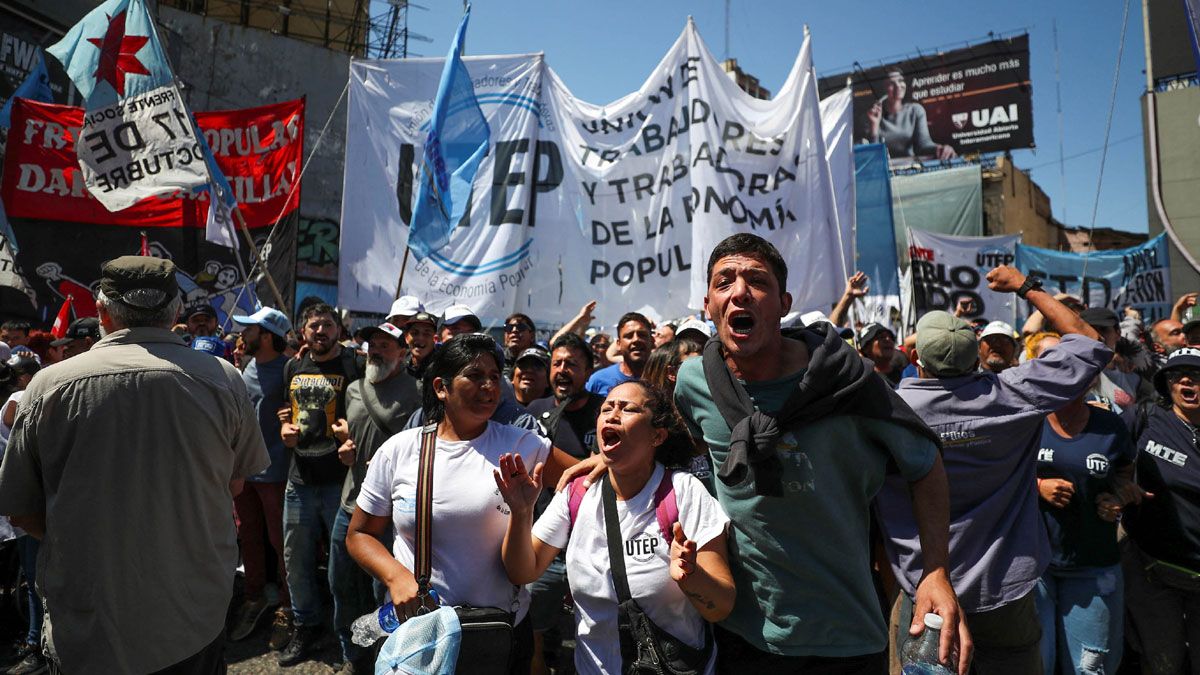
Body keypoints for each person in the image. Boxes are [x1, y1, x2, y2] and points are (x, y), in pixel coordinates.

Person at [561, 234, 966, 673]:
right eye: (724, 281)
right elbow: (681, 443)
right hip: (741, 635)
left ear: (783, 303)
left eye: (757, 280)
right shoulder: (696, 382)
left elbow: (925, 462)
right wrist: (616, 456)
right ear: (709, 305)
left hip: (844, 635)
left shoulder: (848, 381)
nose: (740, 291)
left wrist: (936, 572)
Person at [0, 256, 268, 673]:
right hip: (192, 617)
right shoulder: (224, 379)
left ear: (102, 312)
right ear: (176, 313)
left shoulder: (48, 386)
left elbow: (21, 511)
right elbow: (235, 485)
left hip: (89, 623)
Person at [875, 269, 1111, 675]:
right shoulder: (1013, 393)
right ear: (977, 357)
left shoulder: (887, 411)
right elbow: (1088, 342)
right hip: (1005, 590)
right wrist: (1024, 285)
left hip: (923, 590)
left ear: (914, 360)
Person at [346, 334, 579, 674]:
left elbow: (581, 482)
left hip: (499, 634)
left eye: (494, 376)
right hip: (422, 636)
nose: (489, 386)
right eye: (475, 375)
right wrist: (395, 577)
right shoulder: (400, 450)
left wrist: (600, 465)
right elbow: (360, 534)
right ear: (441, 387)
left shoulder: (522, 445)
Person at [497, 380, 735, 674]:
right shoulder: (577, 493)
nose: (612, 415)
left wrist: (692, 576)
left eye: (628, 409)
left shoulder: (684, 492)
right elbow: (522, 571)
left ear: (657, 435)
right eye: (606, 408)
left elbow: (721, 606)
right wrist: (521, 513)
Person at [1029, 333, 1140, 675]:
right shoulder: (1027, 421)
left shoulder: (1110, 425)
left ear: (1090, 380)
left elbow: (1125, 475)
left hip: (1093, 566)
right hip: (1034, 568)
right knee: (1037, 666)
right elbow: (998, 477)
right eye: (1059, 371)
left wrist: (1117, 497)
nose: (1068, 380)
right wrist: (1038, 486)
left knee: (1089, 669)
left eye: (1077, 373)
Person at [277, 302, 366, 666]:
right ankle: (306, 626)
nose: (320, 331)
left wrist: (353, 443)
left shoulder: (355, 364)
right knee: (295, 561)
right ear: (303, 332)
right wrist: (284, 428)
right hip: (298, 479)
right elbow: (287, 412)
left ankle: (351, 636)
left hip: (339, 485)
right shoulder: (293, 367)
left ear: (338, 330)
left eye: (327, 324)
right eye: (314, 325)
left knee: (343, 567)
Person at [330, 321, 421, 673]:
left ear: (403, 353)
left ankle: (383, 657)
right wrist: (345, 448)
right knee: (341, 585)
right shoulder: (354, 389)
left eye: (386, 345)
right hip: (349, 504)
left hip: (388, 516)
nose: (377, 351)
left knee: (379, 592)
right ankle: (351, 655)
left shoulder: (416, 391)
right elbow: (348, 434)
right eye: (373, 345)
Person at [525, 333, 604, 672]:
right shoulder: (534, 413)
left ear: (588, 372)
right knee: (533, 629)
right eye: (556, 363)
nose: (562, 370)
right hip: (545, 546)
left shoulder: (606, 413)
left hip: (592, 545)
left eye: (572, 364)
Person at [1122, 347, 1200, 674]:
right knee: (1162, 663)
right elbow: (1101, 458)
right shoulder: (1144, 419)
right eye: (1176, 375)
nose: (1186, 381)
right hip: (1152, 570)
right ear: (1167, 384)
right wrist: (1117, 486)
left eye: (1196, 375)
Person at [228, 307, 295, 648]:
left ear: (267, 336)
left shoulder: (289, 370)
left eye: (250, 329)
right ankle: (254, 596)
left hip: (276, 473)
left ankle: (288, 606)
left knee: (280, 543)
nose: (242, 334)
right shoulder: (246, 367)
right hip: (245, 472)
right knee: (248, 536)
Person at [0, 356, 42, 675]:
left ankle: (35, 645)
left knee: (35, 579)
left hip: (26, 508)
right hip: (22, 508)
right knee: (31, 579)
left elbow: (13, 414)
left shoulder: (20, 398)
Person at [857, 68, 956, 160]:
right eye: (891, 83)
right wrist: (874, 127)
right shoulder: (869, 117)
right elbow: (872, 157)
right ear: (883, 89)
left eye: (900, 80)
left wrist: (940, 149)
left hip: (913, 168)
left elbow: (924, 144)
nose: (898, 86)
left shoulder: (915, 110)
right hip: (884, 170)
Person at [586, 313, 652, 397]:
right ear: (618, 344)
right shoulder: (598, 380)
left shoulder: (663, 378)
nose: (636, 340)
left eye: (642, 335)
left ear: (652, 340)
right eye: (629, 336)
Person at [404, 311, 439, 386]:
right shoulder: (398, 362)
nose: (420, 338)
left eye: (427, 334)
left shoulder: (442, 367)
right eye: (415, 333)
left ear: (436, 339)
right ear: (406, 337)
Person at [503, 313, 538, 377]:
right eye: (509, 327)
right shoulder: (496, 360)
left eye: (521, 327)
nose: (514, 330)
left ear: (532, 336)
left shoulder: (541, 361)